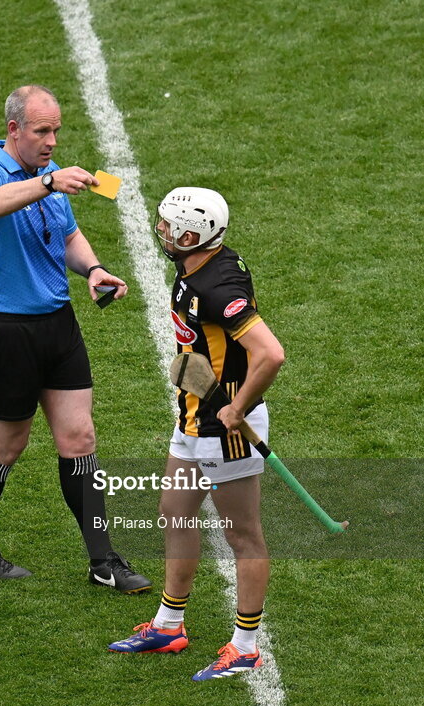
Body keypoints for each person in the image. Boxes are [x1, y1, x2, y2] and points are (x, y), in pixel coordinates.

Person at [0, 84, 150, 594]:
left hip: (57, 326)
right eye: (42, 130)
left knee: (79, 438)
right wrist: (47, 182)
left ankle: (103, 560)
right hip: (6, 332)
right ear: (14, 129)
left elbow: (66, 236)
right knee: (5, 445)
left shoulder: (50, 179)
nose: (52, 140)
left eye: (56, 130)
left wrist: (94, 269)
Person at [108, 187, 285, 680]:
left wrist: (239, 407)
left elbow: (271, 353)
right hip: (193, 415)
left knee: (242, 534)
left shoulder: (216, 289)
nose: (161, 232)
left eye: (168, 226)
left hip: (223, 425)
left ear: (192, 235)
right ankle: (169, 624)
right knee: (174, 512)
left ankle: (246, 646)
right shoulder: (199, 268)